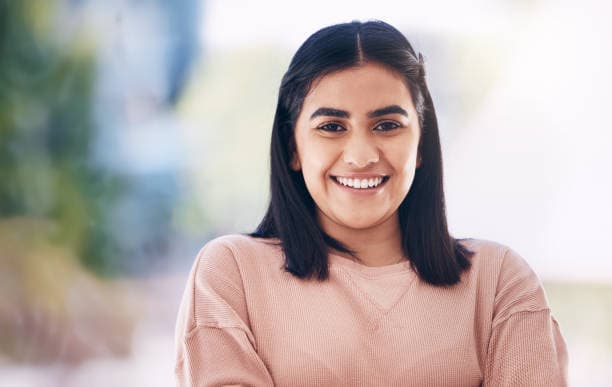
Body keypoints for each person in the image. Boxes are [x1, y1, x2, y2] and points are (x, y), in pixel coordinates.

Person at [174, 20, 568, 386]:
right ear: (292, 147)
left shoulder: (499, 282)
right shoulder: (232, 274)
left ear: (420, 146)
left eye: (387, 125)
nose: (361, 155)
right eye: (331, 127)